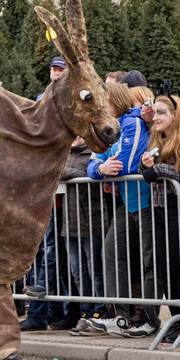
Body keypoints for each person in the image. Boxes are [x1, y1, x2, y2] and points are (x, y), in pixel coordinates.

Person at [87, 82, 160, 338]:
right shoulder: (120, 125)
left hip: (146, 202)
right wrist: (100, 170)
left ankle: (150, 319)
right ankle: (119, 315)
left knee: (150, 261)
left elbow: (125, 164)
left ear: (115, 102)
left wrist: (105, 171)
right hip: (127, 203)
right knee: (111, 253)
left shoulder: (134, 123)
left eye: (103, 103)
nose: (100, 108)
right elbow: (95, 159)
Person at [139, 83, 180, 343]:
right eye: (155, 113)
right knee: (164, 269)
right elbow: (150, 175)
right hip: (160, 209)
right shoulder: (158, 138)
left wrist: (159, 171)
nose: (157, 117)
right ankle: (177, 317)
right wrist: (146, 167)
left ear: (175, 114)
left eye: (162, 112)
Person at [21, 56, 70, 332]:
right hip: (42, 191)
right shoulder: (42, 98)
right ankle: (39, 313)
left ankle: (52, 310)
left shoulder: (71, 100)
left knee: (53, 254)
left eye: (60, 69)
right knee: (41, 253)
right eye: (53, 68)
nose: (55, 73)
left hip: (60, 193)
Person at [60, 136, 108, 336]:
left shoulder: (95, 152)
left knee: (96, 271)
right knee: (78, 272)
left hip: (92, 220)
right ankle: (85, 312)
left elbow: (93, 175)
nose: (75, 136)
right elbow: (56, 171)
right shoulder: (65, 152)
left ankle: (99, 312)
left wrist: (68, 173)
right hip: (69, 223)